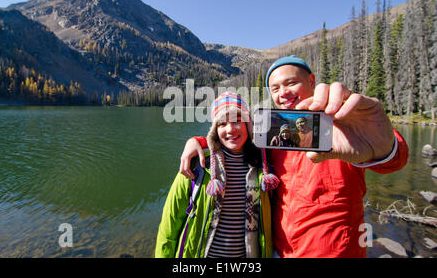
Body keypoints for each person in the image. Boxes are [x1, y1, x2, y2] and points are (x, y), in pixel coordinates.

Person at [177, 55, 409, 258]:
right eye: (275, 89)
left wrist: (384, 146)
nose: (283, 92)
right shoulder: (273, 137)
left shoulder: (343, 126)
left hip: (337, 252)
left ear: (311, 81)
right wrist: (197, 142)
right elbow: (234, 138)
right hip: (281, 251)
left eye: (291, 83)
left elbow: (393, 160)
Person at [155, 92, 278, 258]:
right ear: (215, 130)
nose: (230, 129)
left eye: (237, 121)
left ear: (248, 125)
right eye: (222, 124)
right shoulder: (198, 165)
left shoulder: (263, 167)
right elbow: (170, 223)